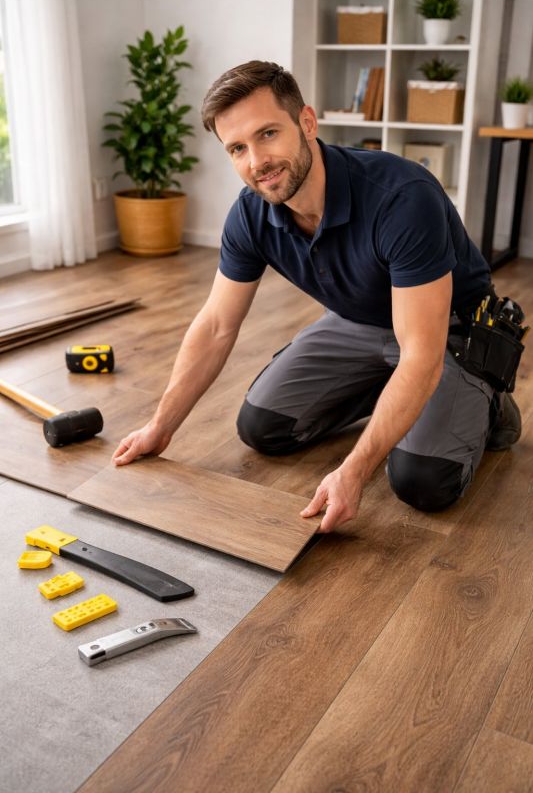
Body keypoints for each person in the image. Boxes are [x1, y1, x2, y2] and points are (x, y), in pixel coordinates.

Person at [112, 60, 522, 533]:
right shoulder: (250, 214)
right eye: (238, 148)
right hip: (360, 323)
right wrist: (160, 427)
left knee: (422, 482)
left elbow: (421, 355)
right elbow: (216, 325)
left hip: (449, 333)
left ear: (307, 122)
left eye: (267, 134)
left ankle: (489, 403)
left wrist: (353, 469)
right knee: (262, 428)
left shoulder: (402, 197)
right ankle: (389, 395)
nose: (256, 162)